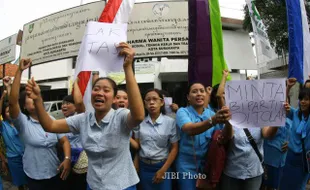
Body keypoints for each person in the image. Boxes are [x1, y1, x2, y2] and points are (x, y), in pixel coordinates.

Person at [25, 43, 145, 190]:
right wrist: (37, 100)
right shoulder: (83, 119)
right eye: (96, 89)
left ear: (114, 98)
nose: (99, 93)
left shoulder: (120, 116)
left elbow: (138, 116)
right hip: (94, 185)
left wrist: (127, 67)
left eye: (106, 90)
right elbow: (50, 126)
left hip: (122, 185)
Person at [9, 58, 71, 190]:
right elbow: (13, 102)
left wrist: (67, 158)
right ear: (24, 106)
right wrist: (19, 70)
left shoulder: (51, 119)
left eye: (36, 95)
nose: (35, 98)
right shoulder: (23, 123)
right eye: (30, 97)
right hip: (34, 177)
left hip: (55, 172)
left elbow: (64, 141)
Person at [217, 73, 279, 190]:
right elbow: (228, 136)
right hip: (232, 172)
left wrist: (277, 118)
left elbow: (267, 134)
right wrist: (224, 77)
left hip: (254, 173)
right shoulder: (231, 115)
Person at [175, 82, 233, 190]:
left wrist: (229, 121)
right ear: (188, 97)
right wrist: (213, 120)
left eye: (202, 91)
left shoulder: (210, 114)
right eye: (194, 91)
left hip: (207, 166)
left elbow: (225, 137)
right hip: (186, 166)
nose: (199, 94)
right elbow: (189, 129)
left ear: (206, 95)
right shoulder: (182, 112)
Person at [134, 88, 179, 190]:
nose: (151, 102)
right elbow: (138, 146)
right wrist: (136, 160)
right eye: (148, 100)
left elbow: (175, 148)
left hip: (163, 165)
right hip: (144, 167)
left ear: (162, 102)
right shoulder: (139, 123)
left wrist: (163, 170)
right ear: (144, 103)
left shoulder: (170, 122)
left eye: (155, 99)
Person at [261, 78, 295, 190]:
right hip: (270, 161)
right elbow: (267, 134)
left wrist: (289, 143)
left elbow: (294, 137)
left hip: (283, 162)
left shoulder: (290, 120)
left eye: (287, 102)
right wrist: (288, 88)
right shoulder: (267, 118)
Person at [280, 88, 310, 190]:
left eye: (306, 99)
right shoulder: (297, 113)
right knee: (285, 185)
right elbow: (284, 106)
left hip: (304, 160)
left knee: (299, 187)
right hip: (290, 157)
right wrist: (287, 87)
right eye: (301, 99)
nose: (302, 101)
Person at [0, 77, 27, 190]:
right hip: (14, 159)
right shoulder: (3, 126)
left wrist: (9, 87)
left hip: (27, 156)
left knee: (30, 182)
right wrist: (2, 97)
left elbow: (14, 105)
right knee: (20, 184)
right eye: (7, 112)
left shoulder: (20, 122)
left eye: (11, 111)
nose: (10, 113)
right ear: (4, 114)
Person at [60, 94, 87, 190]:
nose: (64, 106)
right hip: (66, 159)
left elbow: (80, 103)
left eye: (68, 103)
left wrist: (76, 83)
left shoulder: (81, 119)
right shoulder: (62, 122)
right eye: (63, 103)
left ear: (75, 107)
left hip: (79, 160)